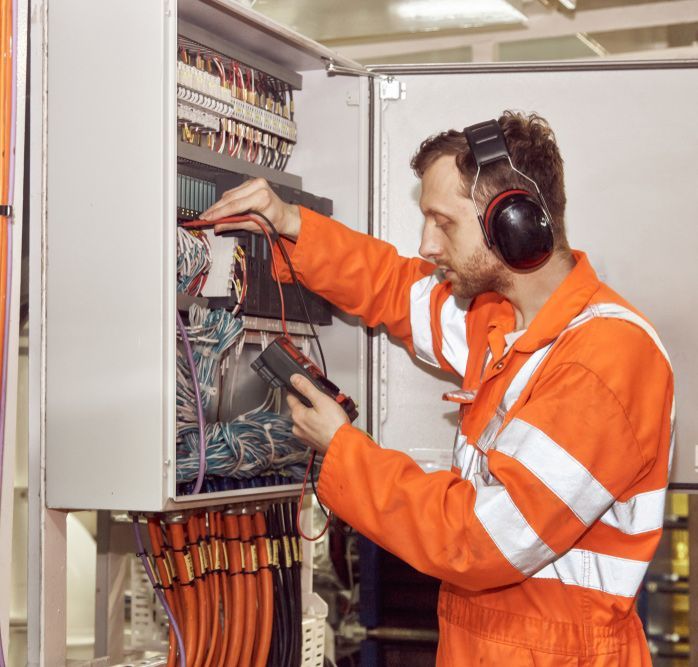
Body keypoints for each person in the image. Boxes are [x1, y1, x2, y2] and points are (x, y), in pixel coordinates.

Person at [201, 111, 674, 666]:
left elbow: (478, 540)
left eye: (443, 223)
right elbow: (392, 288)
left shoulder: (608, 360)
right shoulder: (503, 324)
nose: (427, 244)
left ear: (514, 223)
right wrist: (291, 225)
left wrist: (343, 449)